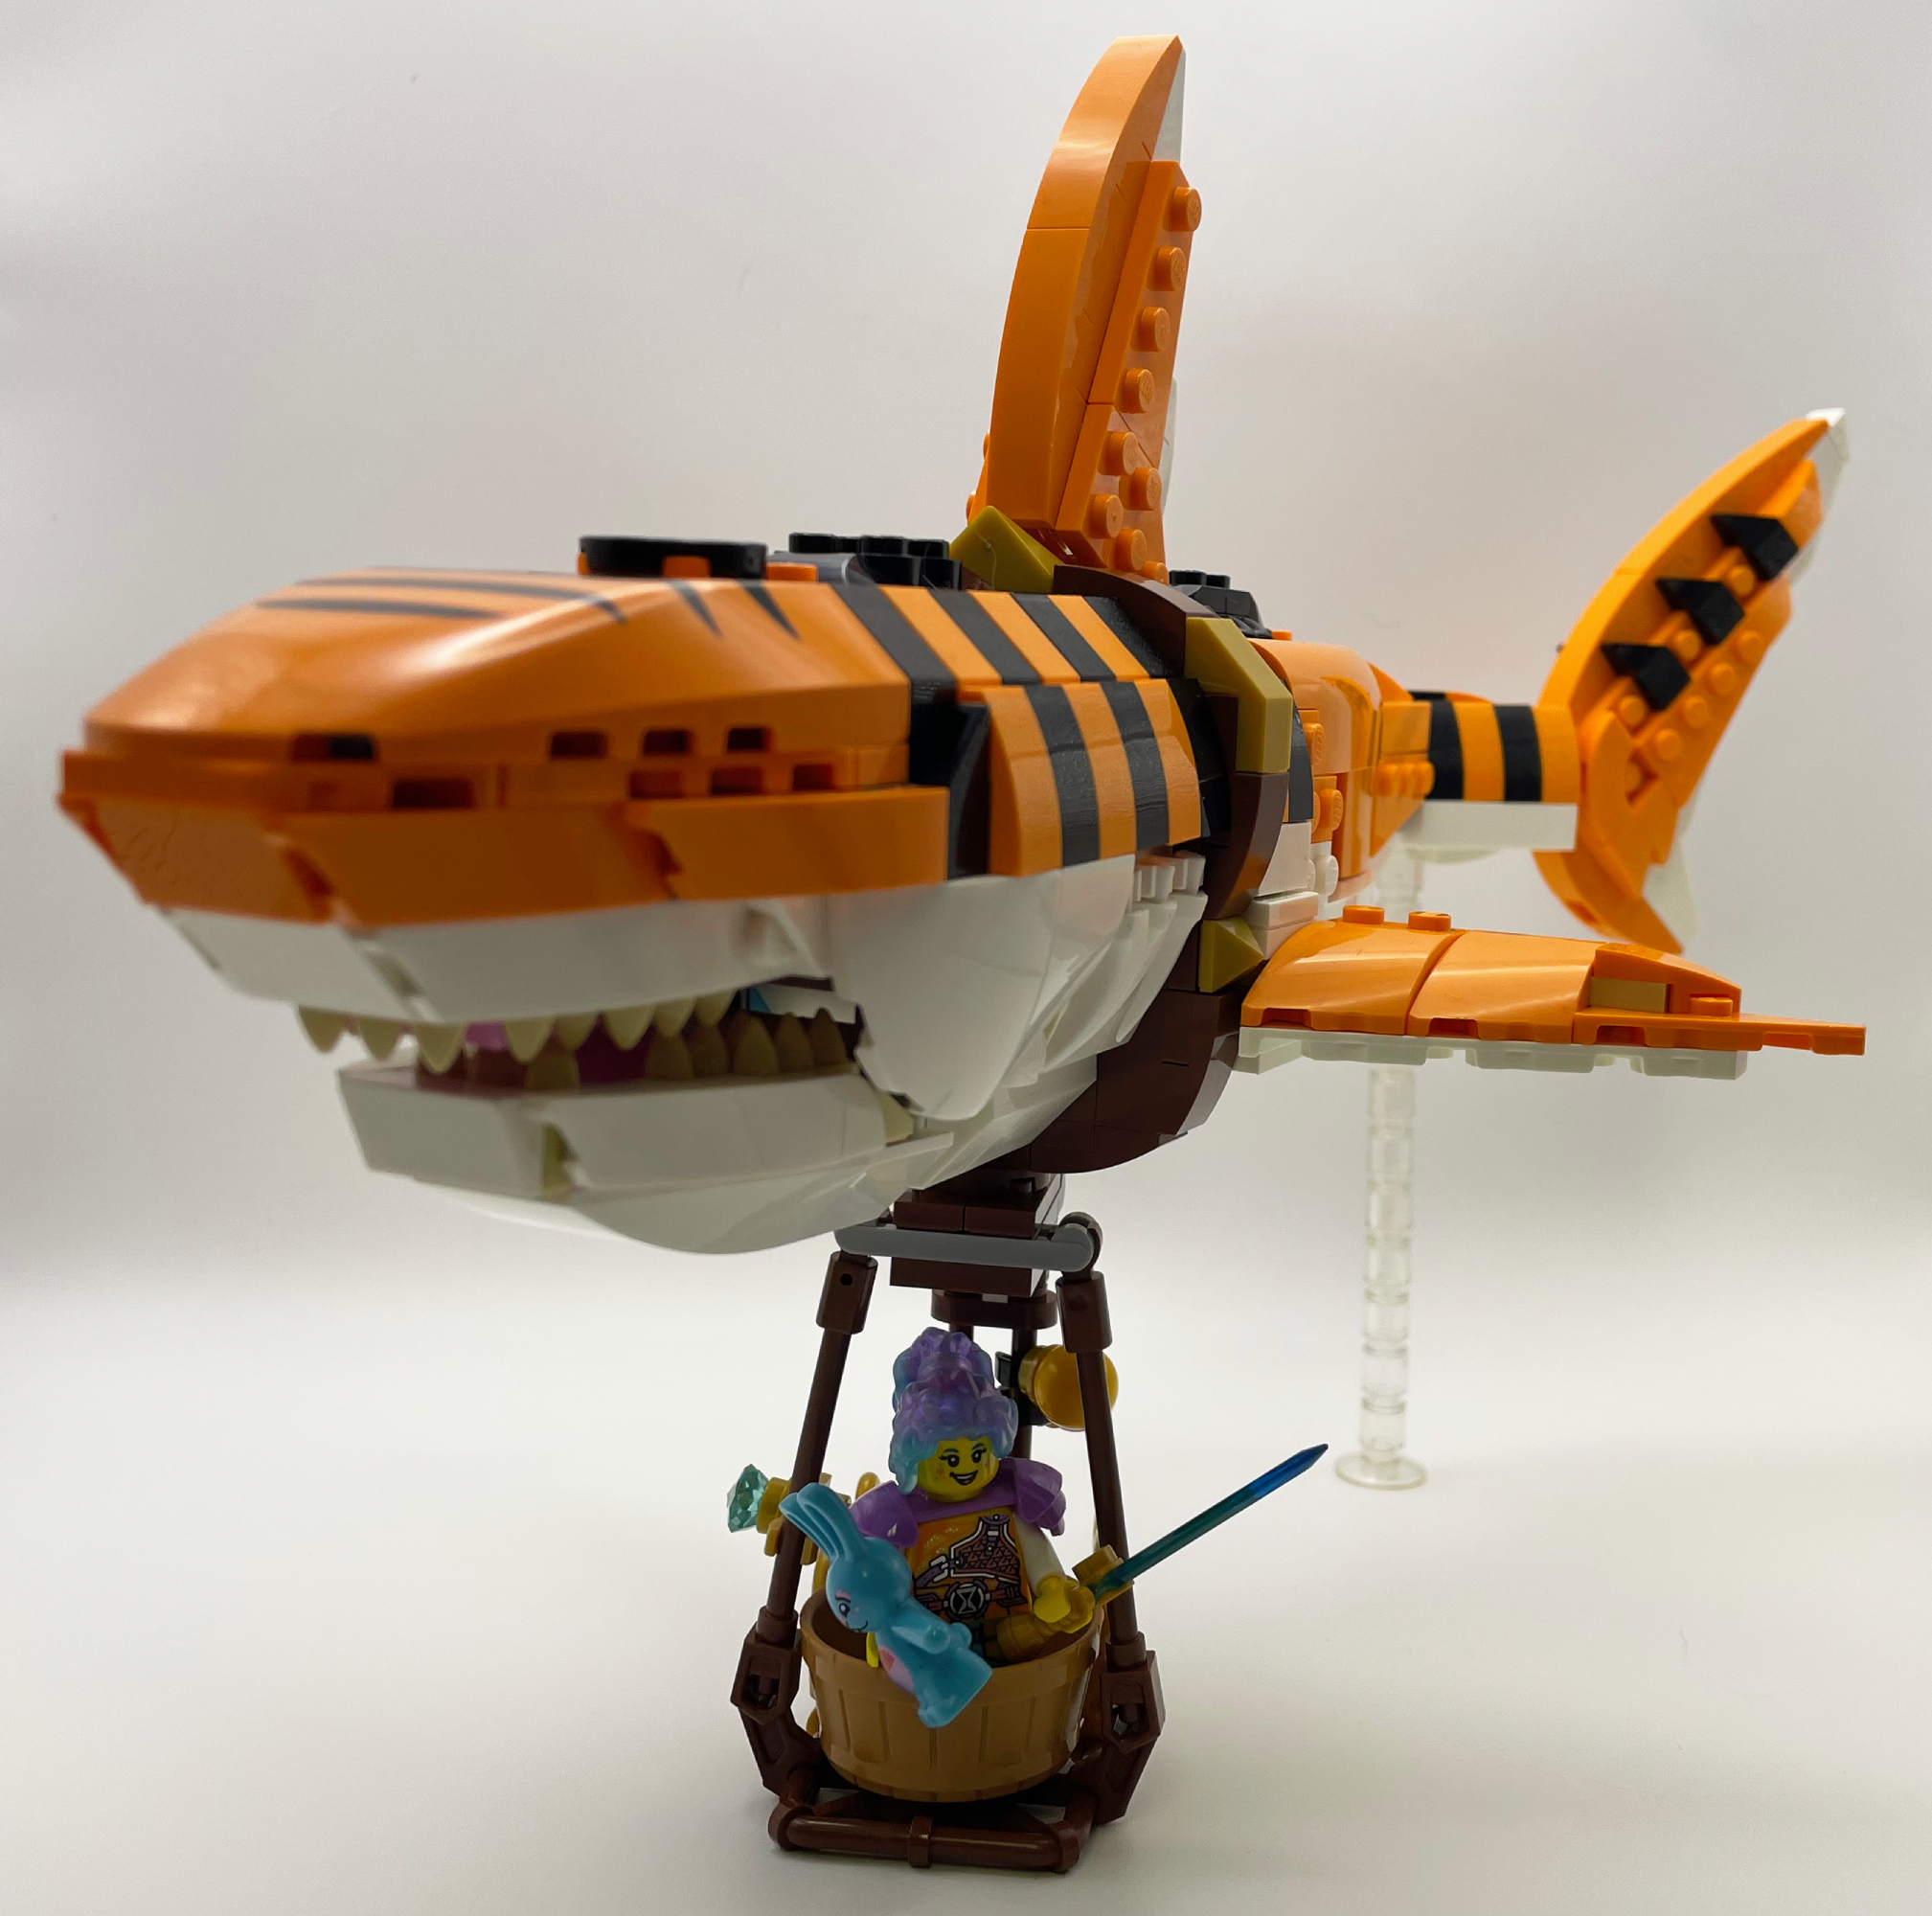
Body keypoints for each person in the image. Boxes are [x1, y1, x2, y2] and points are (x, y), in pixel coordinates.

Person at [851, 1329, 1095, 1662]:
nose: (966, 1466)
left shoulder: (1011, 1501)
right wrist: (881, 1625)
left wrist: (1051, 1586)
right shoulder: (898, 1519)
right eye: (950, 1459)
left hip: (1008, 1628)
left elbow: (1036, 1554)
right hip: (929, 1640)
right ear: (914, 1458)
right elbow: (886, 1581)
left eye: (979, 1453)